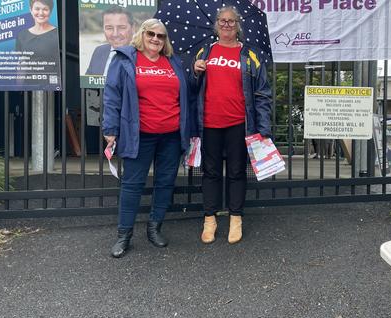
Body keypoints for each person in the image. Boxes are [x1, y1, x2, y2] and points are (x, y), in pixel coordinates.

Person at [102, 19, 190, 258]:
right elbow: (112, 95)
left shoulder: (173, 62)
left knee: (165, 183)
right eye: (151, 34)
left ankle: (154, 228)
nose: (155, 39)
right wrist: (110, 128)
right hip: (139, 135)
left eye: (161, 36)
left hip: (171, 135)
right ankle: (124, 235)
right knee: (132, 185)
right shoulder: (125, 59)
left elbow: (186, 93)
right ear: (142, 34)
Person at [191, 6, 272, 245]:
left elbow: (262, 93)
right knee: (210, 173)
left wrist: (263, 129)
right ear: (217, 24)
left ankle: (236, 218)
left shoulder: (250, 55)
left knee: (237, 173)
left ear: (238, 25)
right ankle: (210, 219)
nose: (227, 25)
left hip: (239, 124)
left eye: (231, 21)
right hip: (209, 124)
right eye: (222, 21)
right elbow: (191, 89)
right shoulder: (205, 52)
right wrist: (195, 73)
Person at [15, 0, 60, 84]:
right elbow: (21, 65)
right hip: (28, 87)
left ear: (50, 11)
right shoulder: (22, 35)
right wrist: (18, 86)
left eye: (45, 9)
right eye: (37, 9)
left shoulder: (58, 34)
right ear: (31, 10)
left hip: (52, 87)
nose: (41, 13)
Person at [85, 6, 134, 76]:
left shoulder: (144, 55)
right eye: (109, 28)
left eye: (121, 27)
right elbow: (87, 84)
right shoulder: (99, 51)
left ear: (133, 28)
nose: (115, 34)